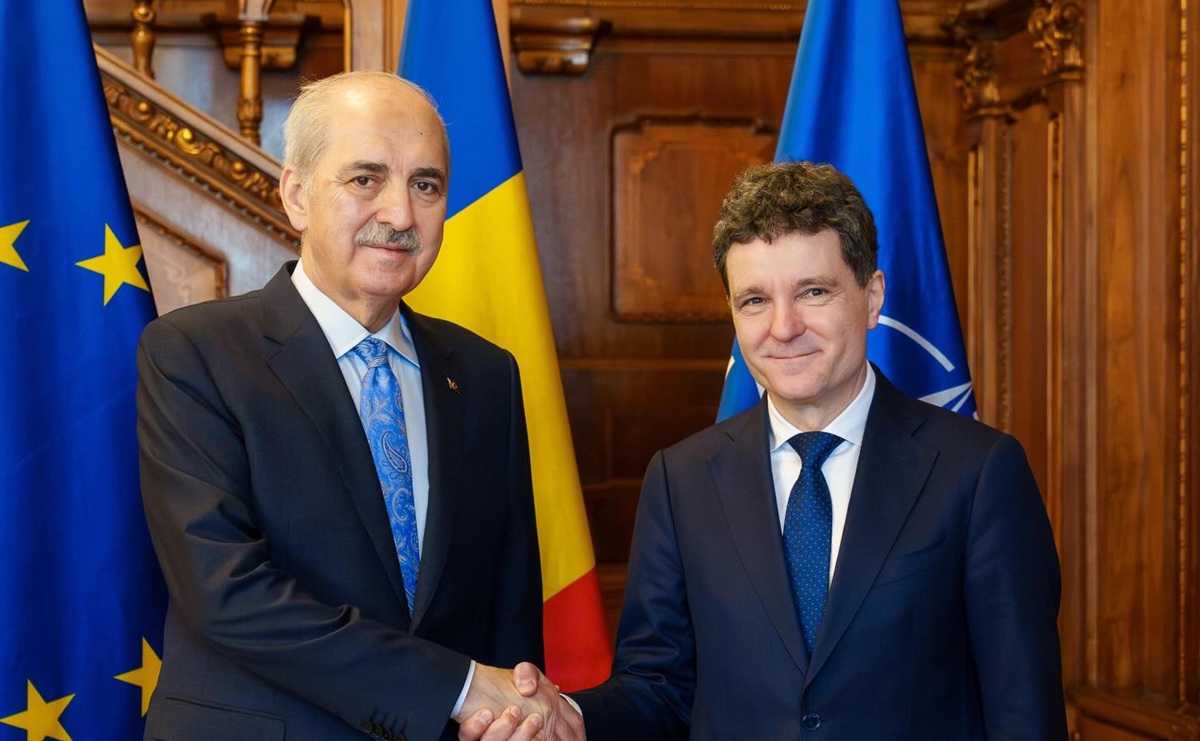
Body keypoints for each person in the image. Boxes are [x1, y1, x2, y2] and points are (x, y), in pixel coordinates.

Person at [462, 160, 1068, 740]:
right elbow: (659, 689)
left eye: (813, 292)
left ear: (872, 296)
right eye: (754, 300)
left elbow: (1023, 713)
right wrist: (566, 718)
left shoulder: (978, 473)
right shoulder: (682, 478)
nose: (783, 328)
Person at [136, 70, 581, 741]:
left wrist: (519, 713)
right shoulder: (195, 354)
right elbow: (224, 591)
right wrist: (457, 686)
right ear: (297, 194)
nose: (400, 215)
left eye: (425, 185)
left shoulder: (486, 374)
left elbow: (507, 604)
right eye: (366, 179)